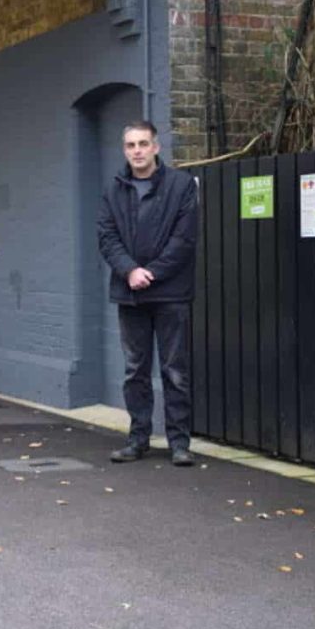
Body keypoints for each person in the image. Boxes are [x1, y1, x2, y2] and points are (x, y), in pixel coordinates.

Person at [98, 120, 198, 467]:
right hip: (131, 294)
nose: (137, 151)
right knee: (135, 370)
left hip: (171, 294)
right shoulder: (113, 190)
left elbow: (184, 239)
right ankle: (138, 439)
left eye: (143, 144)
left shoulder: (182, 186)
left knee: (175, 370)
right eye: (130, 145)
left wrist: (152, 272)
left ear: (156, 147)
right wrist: (130, 271)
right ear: (124, 150)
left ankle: (180, 444)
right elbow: (106, 237)